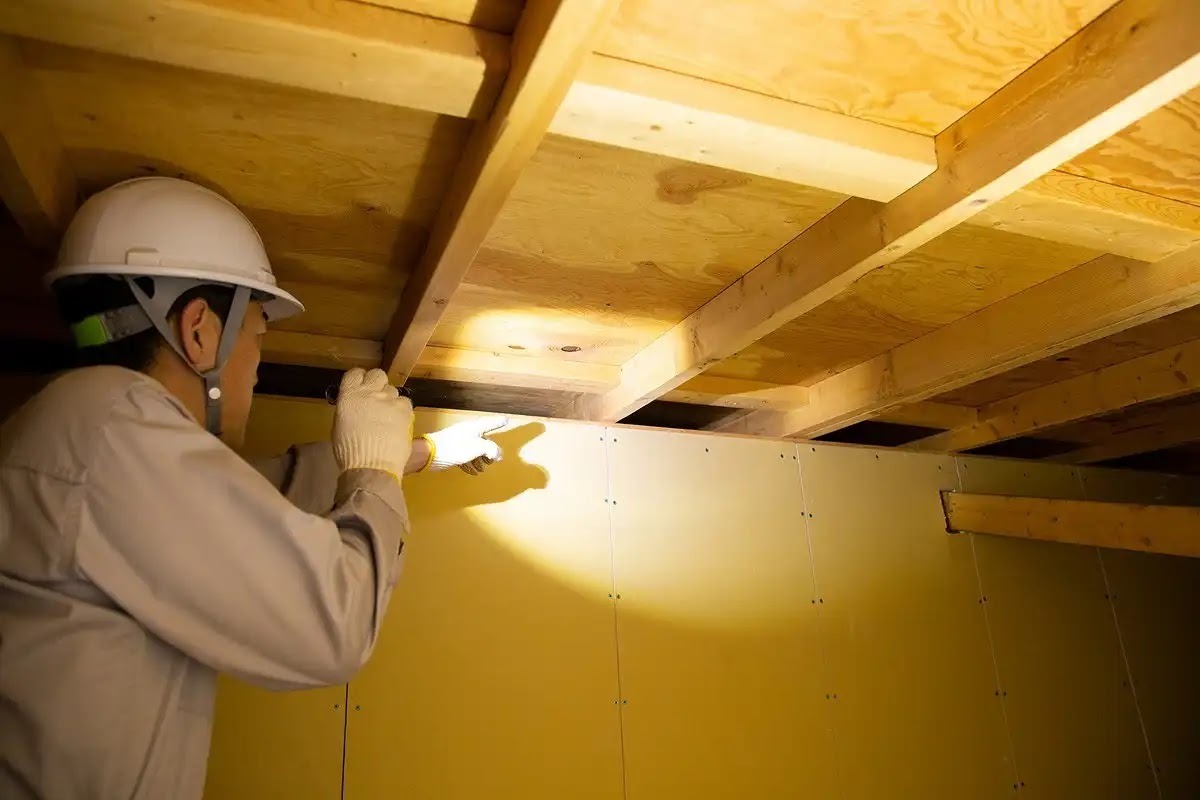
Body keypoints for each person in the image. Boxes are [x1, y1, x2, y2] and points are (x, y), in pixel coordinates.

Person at [0, 177, 506, 799]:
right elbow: (331, 629)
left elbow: (259, 499)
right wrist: (374, 476)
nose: (259, 366)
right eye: (259, 337)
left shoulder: (85, 430)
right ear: (199, 330)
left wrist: (417, 455)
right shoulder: (108, 420)